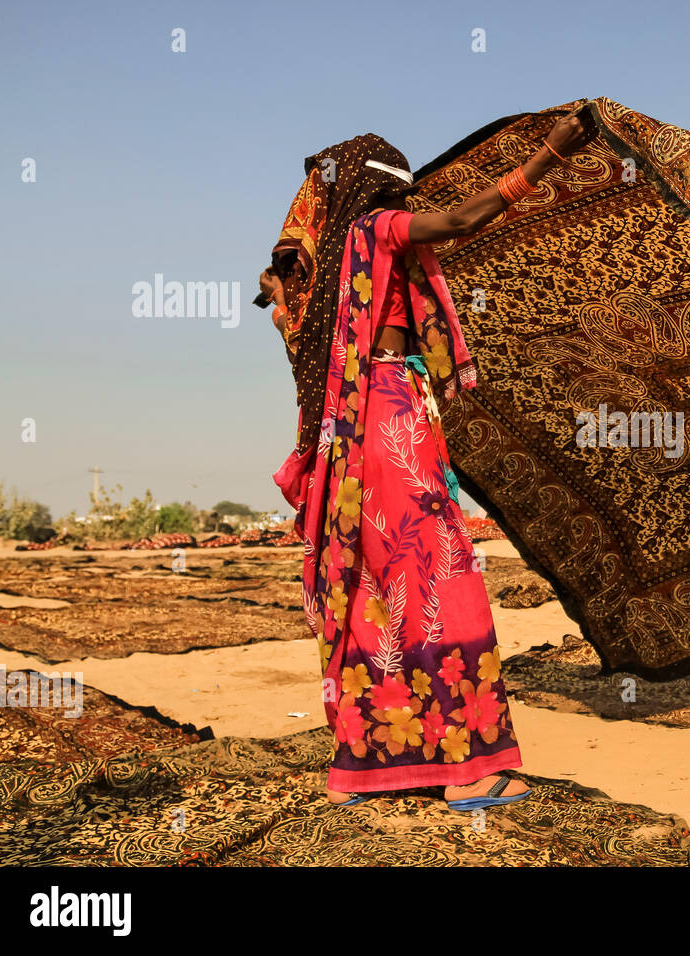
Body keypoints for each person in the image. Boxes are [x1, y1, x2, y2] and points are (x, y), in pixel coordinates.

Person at [259, 111, 595, 809]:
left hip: (343, 443)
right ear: (369, 193)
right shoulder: (372, 231)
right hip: (388, 418)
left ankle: (365, 766)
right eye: (394, 190)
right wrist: (546, 159)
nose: (404, 204)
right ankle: (471, 767)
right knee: (443, 577)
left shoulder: (317, 283)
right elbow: (460, 221)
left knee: (370, 589)